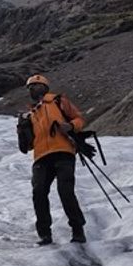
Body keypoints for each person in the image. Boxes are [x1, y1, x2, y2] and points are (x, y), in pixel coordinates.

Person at [16, 74, 92, 245]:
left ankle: (78, 230)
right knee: (39, 193)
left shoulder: (59, 101)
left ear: (45, 87)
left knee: (65, 191)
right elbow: (27, 146)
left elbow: (79, 118)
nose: (33, 89)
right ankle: (44, 234)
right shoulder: (30, 114)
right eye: (31, 87)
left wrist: (71, 126)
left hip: (63, 151)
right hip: (41, 156)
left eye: (36, 85)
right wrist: (21, 128)